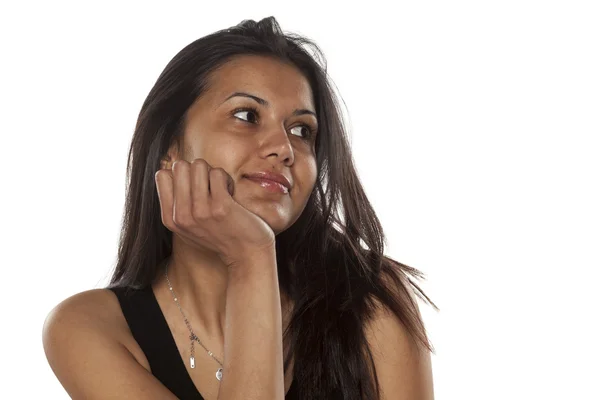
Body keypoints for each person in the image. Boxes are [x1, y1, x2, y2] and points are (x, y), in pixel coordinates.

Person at [42, 16, 436, 400]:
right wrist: (251, 257)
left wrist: (251, 257)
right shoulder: (88, 328)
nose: (284, 148)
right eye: (246, 116)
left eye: (302, 131)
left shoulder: (371, 301)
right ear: (169, 150)